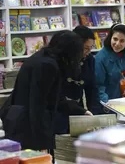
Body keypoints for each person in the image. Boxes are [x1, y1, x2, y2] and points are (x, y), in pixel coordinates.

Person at [0, 30, 84, 163]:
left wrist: (82, 111)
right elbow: (37, 105)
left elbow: (55, 98)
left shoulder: (40, 57)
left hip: (16, 120)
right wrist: (42, 143)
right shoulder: (48, 66)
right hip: (29, 128)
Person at [55, 26, 99, 134]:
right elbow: (56, 95)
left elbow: (92, 89)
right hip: (59, 110)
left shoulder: (89, 60)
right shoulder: (59, 60)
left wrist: (94, 116)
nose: (88, 52)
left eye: (91, 48)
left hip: (78, 109)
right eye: (85, 48)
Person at [95, 23, 125, 113]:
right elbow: (98, 85)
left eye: (122, 41)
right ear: (110, 38)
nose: (117, 44)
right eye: (115, 39)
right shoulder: (100, 58)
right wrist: (107, 103)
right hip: (109, 106)